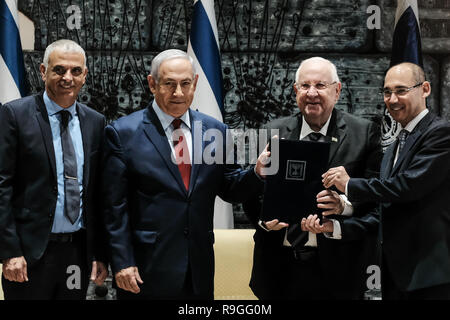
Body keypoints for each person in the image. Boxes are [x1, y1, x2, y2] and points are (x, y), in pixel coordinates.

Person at [102, 49, 266, 300]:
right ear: (152, 84)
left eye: (185, 84)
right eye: (169, 84)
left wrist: (256, 173)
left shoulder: (215, 131)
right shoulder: (123, 133)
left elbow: (230, 188)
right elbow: (114, 206)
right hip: (146, 269)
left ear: (195, 84)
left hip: (197, 267)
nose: (178, 93)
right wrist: (122, 261)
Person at [243, 57, 383, 299]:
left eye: (320, 85)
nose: (311, 93)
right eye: (305, 86)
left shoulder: (365, 132)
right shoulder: (271, 132)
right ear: (296, 91)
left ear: (337, 91)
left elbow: (376, 201)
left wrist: (345, 206)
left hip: (341, 270)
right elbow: (251, 194)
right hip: (280, 268)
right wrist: (265, 221)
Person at [323, 62, 450, 300]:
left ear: (425, 89)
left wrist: (349, 185)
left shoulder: (440, 133)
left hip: (430, 274)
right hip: (394, 274)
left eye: (401, 90)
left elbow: (407, 187)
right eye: (387, 92)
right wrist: (338, 227)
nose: (392, 99)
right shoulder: (393, 147)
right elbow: (386, 210)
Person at [0, 39, 108, 300]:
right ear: (42, 71)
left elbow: (100, 194)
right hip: (28, 255)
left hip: (76, 253)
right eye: (59, 70)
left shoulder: (96, 122)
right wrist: (9, 251)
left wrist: (100, 253)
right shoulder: (14, 115)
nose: (67, 78)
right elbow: (2, 186)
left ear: (85, 75)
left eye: (75, 71)